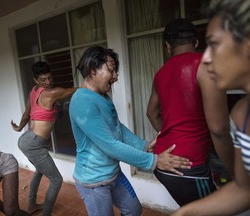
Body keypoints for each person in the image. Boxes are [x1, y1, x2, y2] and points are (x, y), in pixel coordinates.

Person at [69, 46, 192, 216]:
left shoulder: (102, 96)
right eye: (111, 70)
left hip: (113, 173)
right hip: (94, 181)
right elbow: (110, 145)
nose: (116, 76)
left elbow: (117, 128)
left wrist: (144, 146)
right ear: (92, 70)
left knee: (133, 209)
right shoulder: (82, 102)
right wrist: (154, 161)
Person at [171, 0, 250, 215]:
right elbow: (244, 189)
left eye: (214, 45)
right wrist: (184, 213)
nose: (205, 58)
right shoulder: (242, 113)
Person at [146, 18, 234, 206]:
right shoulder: (206, 66)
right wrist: (235, 170)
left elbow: (151, 113)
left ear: (167, 46)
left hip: (162, 161)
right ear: (195, 43)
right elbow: (219, 130)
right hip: (187, 169)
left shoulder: (160, 73)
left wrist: (170, 135)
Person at [11, 61, 77, 216]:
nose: (48, 82)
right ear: (36, 80)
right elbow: (74, 90)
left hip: (27, 139)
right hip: (33, 143)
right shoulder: (51, 93)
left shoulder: (33, 91)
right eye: (43, 80)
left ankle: (32, 205)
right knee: (56, 180)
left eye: (49, 78)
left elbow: (27, 114)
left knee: (39, 171)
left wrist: (20, 127)